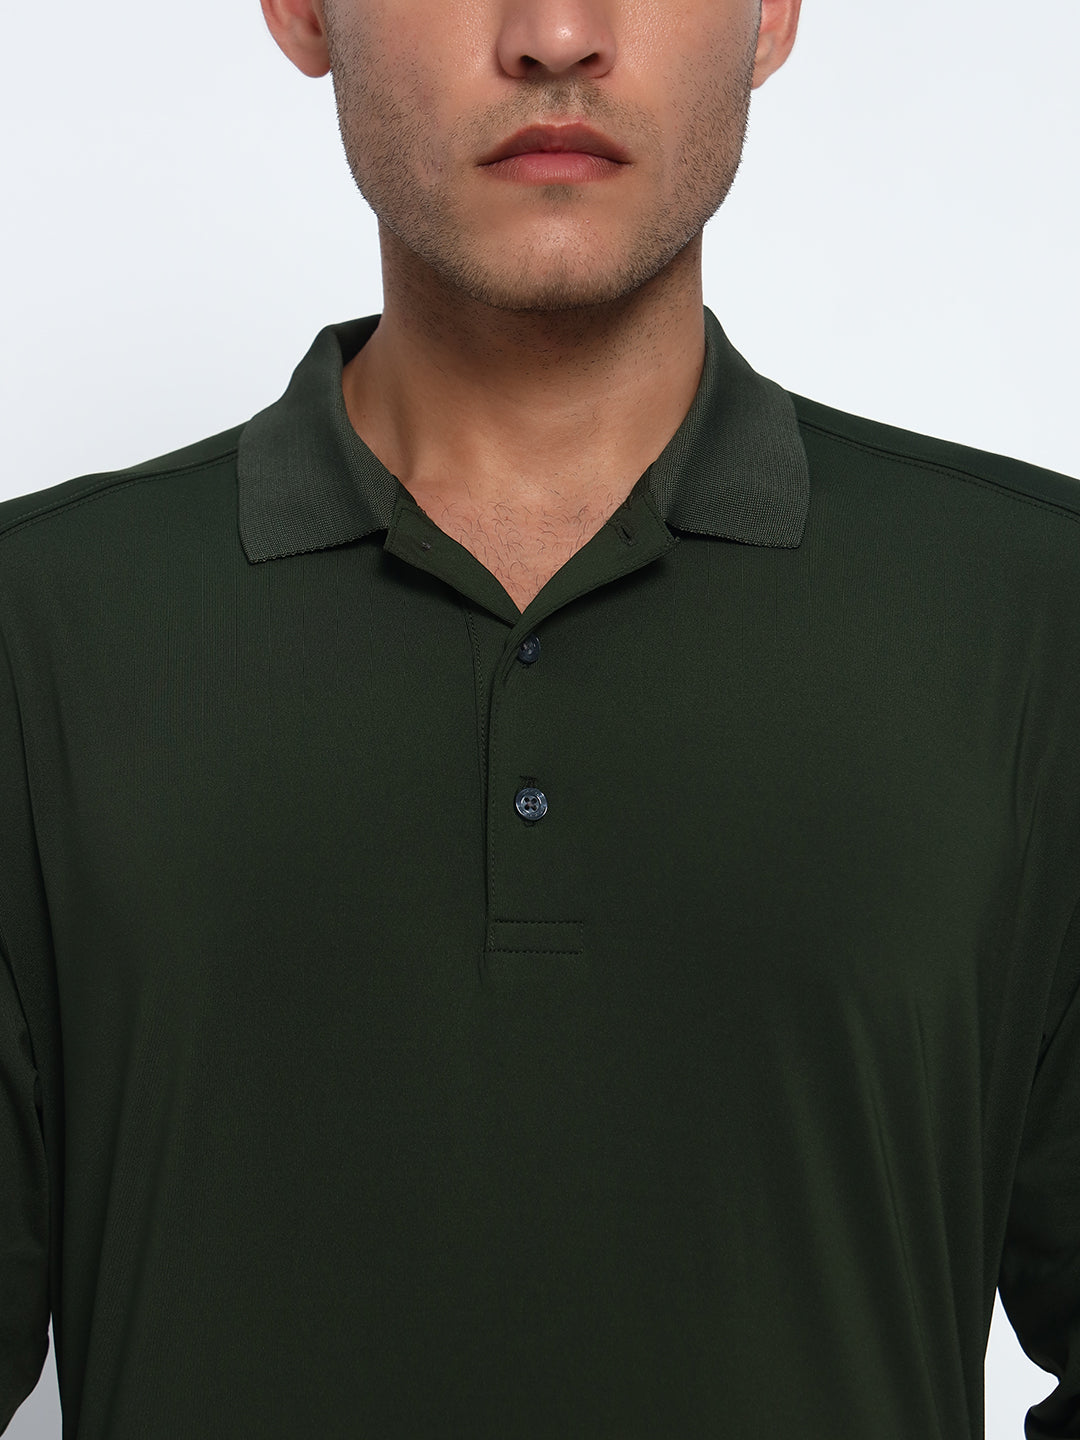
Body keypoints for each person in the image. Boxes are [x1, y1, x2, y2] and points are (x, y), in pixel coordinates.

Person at [1, 0, 1077, 1435]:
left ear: (772, 13)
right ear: (304, 12)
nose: (558, 33)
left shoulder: (1038, 618)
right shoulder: (35, 633)